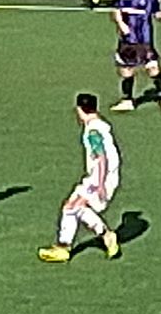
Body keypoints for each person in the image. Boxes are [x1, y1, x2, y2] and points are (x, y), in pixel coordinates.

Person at [38, 93, 121, 263]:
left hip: (99, 177)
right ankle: (66, 246)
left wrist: (100, 185)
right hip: (100, 176)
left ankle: (102, 236)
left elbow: (100, 158)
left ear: (80, 109)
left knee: (74, 207)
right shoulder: (101, 126)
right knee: (71, 207)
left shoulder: (93, 131)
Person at [108, 0, 161, 114]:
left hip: (144, 38)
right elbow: (117, 10)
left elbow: (156, 13)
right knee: (126, 69)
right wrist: (121, 24)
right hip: (127, 39)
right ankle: (127, 100)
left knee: (152, 67)